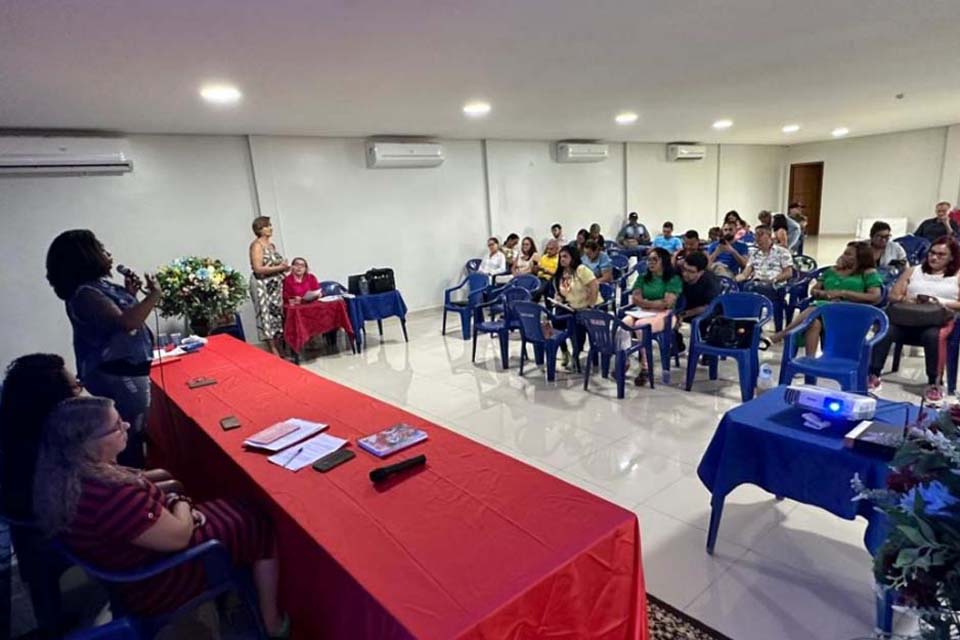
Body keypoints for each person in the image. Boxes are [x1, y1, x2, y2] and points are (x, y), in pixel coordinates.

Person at [32, 396, 290, 638]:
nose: (127, 425)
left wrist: (174, 502)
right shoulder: (111, 496)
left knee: (227, 505)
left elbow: (141, 495)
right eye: (116, 427)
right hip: (156, 581)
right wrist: (182, 504)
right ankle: (271, 622)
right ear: (89, 443)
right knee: (256, 522)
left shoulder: (67, 475)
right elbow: (178, 537)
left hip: (134, 557)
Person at [46, 229, 158, 468]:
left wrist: (130, 295)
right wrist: (153, 296)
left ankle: (140, 481)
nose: (107, 252)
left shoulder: (101, 286)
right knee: (126, 435)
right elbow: (126, 323)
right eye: (100, 247)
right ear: (85, 256)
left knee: (136, 432)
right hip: (116, 375)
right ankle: (133, 487)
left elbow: (124, 321)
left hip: (129, 370)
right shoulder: (85, 294)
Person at [869, 236, 960, 403]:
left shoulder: (957, 275)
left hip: (938, 320)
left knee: (932, 336)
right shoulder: (914, 271)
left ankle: (934, 382)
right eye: (932, 253)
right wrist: (908, 299)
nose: (934, 257)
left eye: (941, 255)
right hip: (908, 318)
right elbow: (893, 295)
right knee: (886, 330)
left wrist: (939, 301)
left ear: (952, 257)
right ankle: (873, 373)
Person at [771, 241, 883, 354]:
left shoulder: (868, 273)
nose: (844, 256)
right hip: (827, 309)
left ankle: (782, 334)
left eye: (849, 254)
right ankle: (810, 362)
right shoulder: (832, 271)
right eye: (844, 253)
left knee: (818, 307)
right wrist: (824, 294)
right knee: (814, 322)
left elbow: (874, 296)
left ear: (861, 257)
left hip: (851, 311)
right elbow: (814, 290)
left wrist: (843, 293)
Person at [620, 247, 682, 386]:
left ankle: (645, 368)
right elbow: (635, 299)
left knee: (641, 327)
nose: (650, 263)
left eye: (655, 259)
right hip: (642, 312)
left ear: (664, 262)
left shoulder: (673, 279)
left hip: (666, 315)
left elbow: (667, 303)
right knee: (623, 325)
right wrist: (652, 304)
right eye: (649, 260)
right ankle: (624, 361)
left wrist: (646, 303)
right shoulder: (643, 278)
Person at [552, 246, 599, 369]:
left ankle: (576, 354)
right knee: (556, 321)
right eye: (560, 257)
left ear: (573, 258)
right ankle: (564, 351)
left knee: (577, 327)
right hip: (570, 306)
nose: (562, 259)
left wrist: (590, 305)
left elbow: (594, 285)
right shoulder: (560, 274)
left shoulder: (581, 270)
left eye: (565, 256)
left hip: (585, 307)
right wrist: (558, 299)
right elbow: (562, 293)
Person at [249, 216, 290, 356]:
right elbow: (258, 268)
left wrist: (284, 269)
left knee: (276, 315)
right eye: (267, 226)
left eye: (270, 225)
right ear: (259, 229)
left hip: (274, 287)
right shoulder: (257, 246)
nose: (270, 228)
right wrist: (279, 267)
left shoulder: (271, 246)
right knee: (266, 316)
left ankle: (280, 347)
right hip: (262, 286)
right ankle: (273, 350)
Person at [675, 252, 721, 353]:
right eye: (684, 269)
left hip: (707, 310)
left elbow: (709, 306)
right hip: (685, 306)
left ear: (701, 272)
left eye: (691, 271)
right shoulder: (678, 273)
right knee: (668, 318)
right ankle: (676, 344)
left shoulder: (711, 282)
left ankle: (707, 350)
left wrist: (683, 314)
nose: (685, 274)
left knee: (705, 321)